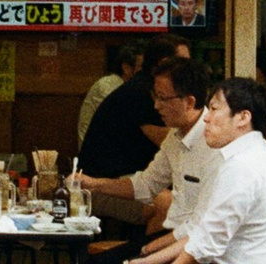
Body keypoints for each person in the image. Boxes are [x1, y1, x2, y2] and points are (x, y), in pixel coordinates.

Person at [100, 78, 266, 264]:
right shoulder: (246, 157)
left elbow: (206, 246)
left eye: (214, 109)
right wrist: (150, 260)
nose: (207, 119)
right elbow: (200, 233)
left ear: (243, 118)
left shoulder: (243, 166)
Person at [80, 56, 215, 250]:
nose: (156, 106)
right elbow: (146, 185)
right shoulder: (174, 138)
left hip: (195, 244)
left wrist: (151, 254)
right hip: (175, 237)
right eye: (155, 96)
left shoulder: (214, 142)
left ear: (189, 102)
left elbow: (206, 226)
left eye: (163, 98)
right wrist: (93, 183)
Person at [77, 34, 193, 182]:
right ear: (164, 63)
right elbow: (168, 141)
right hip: (106, 181)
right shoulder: (140, 92)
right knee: (170, 200)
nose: (190, 69)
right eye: (184, 62)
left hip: (132, 176)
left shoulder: (153, 87)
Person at [76, 43, 143, 145]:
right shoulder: (107, 86)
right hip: (97, 151)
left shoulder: (127, 86)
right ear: (126, 68)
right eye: (141, 66)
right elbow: (123, 123)